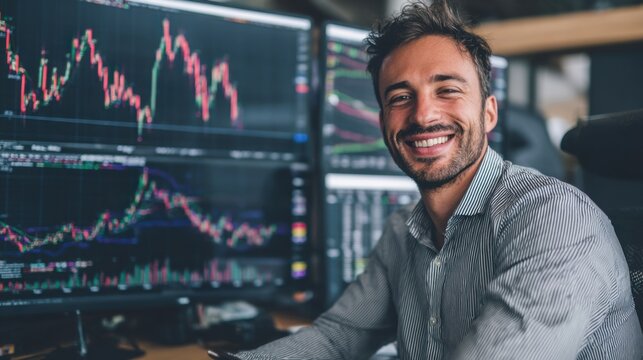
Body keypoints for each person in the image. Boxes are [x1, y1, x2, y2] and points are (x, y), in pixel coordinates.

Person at [235, 1, 643, 358]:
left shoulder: (554, 219)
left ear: (488, 113)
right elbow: (337, 338)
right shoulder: (402, 233)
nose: (423, 115)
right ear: (383, 123)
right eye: (399, 97)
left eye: (447, 90)